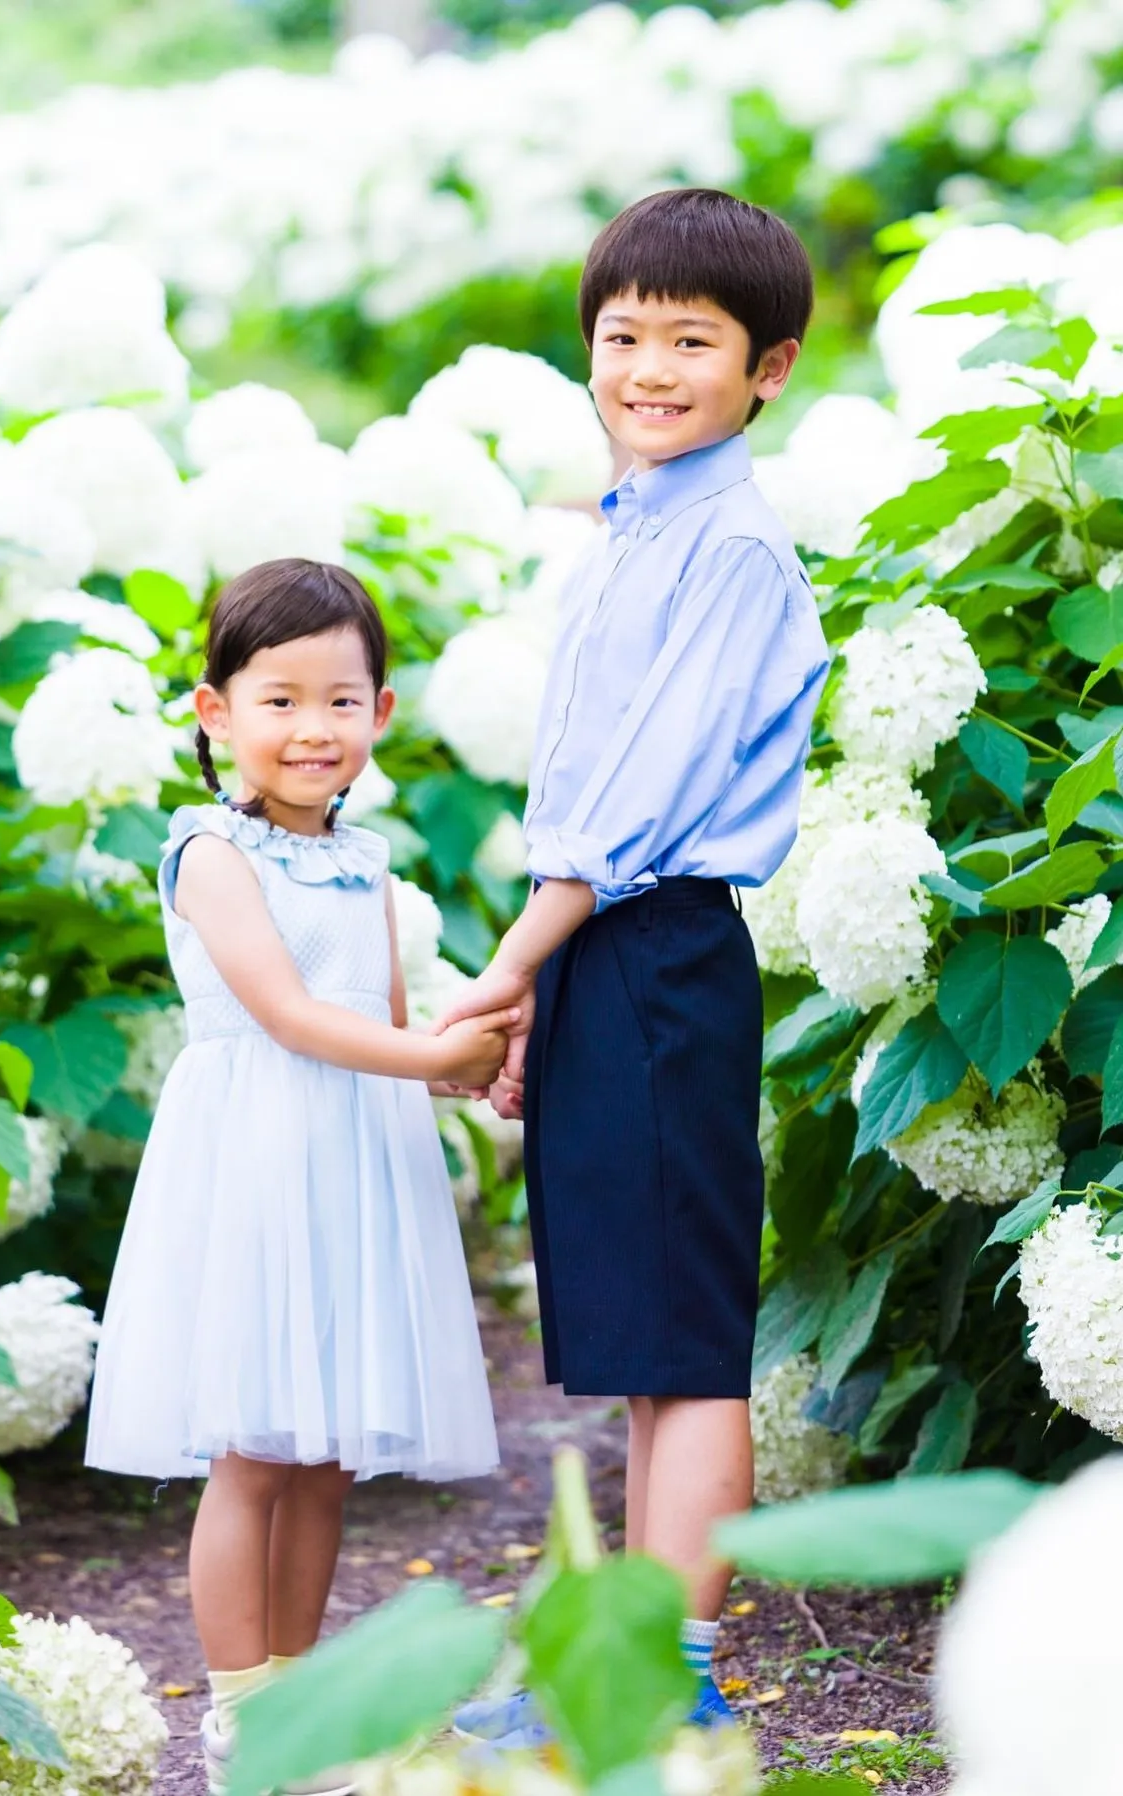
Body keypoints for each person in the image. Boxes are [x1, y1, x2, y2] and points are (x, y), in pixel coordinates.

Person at [446, 188, 830, 1737]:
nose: (649, 367)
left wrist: (502, 971)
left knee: (689, 1337)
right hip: (607, 949)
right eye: (623, 336)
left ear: (771, 369)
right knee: (643, 1338)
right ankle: (622, 1673)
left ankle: (668, 1681)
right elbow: (581, 781)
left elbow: (638, 803)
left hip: (658, 944)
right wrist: (545, 978)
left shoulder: (730, 546)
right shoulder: (631, 531)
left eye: (693, 339)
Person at [85, 558, 505, 1795]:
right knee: (255, 1447)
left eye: (340, 699)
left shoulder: (365, 861)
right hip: (255, 1157)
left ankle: (305, 1702)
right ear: (216, 712)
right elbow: (286, 1013)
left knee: (326, 1453)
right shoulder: (209, 852)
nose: (311, 727)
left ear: (380, 713)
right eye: (278, 699)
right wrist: (426, 1049)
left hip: (354, 1154)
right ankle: (237, 1713)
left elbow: (376, 1017)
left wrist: (470, 1064)